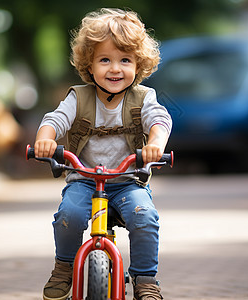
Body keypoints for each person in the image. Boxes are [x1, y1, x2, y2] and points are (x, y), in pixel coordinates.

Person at [34, 8, 172, 300]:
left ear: (139, 64)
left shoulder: (144, 98)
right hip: (84, 180)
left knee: (144, 216)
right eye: (105, 60)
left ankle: (146, 279)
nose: (115, 69)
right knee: (68, 215)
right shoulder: (78, 97)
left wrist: (155, 145)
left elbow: (160, 121)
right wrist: (45, 140)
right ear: (90, 64)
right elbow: (54, 120)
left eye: (125, 60)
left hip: (128, 180)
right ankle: (64, 267)